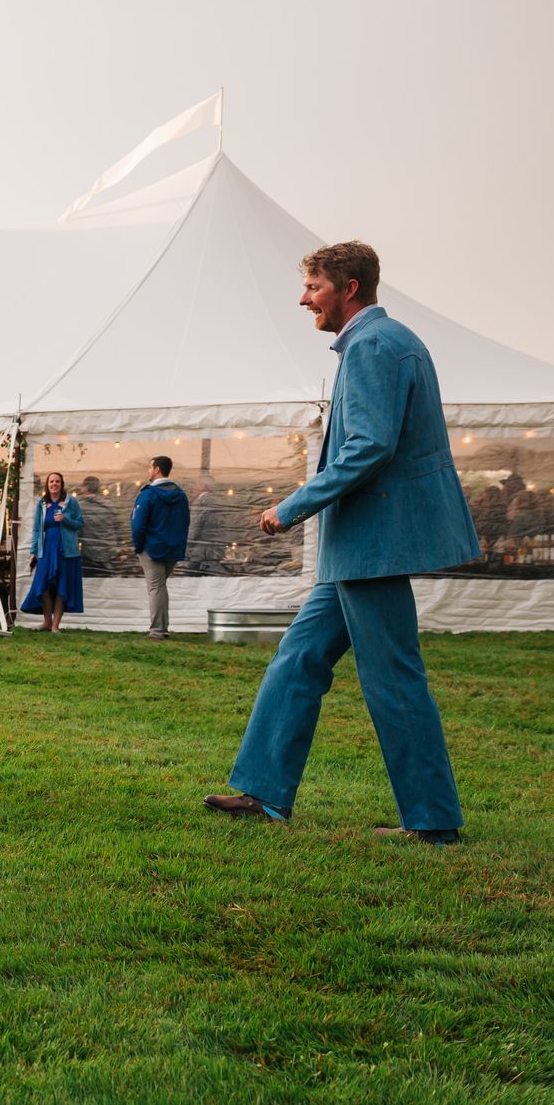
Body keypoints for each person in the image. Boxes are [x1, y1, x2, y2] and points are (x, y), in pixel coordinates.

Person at [205, 242, 479, 845]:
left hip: (373, 542)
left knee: (394, 679)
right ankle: (265, 793)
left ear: (349, 287)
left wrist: (291, 507)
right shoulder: (383, 341)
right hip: (359, 545)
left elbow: (369, 446)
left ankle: (432, 822)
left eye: (313, 287)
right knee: (298, 658)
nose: (304, 299)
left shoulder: (373, 345)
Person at [129, 455, 190, 639]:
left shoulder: (147, 494)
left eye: (150, 468)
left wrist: (138, 547)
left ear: (156, 470)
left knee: (155, 588)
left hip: (151, 548)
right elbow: (186, 521)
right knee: (160, 587)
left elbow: (138, 524)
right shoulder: (180, 494)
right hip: (173, 548)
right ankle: (162, 628)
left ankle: (157, 630)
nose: (148, 471)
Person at [22, 472, 82, 631]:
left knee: (62, 587)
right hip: (46, 550)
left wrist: (65, 519)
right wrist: (33, 551)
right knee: (43, 586)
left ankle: (55, 625)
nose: (54, 484)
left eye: (57, 481)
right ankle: (47, 621)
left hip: (66, 551)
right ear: (47, 485)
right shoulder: (42, 504)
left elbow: (80, 523)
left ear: (62, 484)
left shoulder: (71, 502)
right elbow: (36, 529)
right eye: (51, 482)